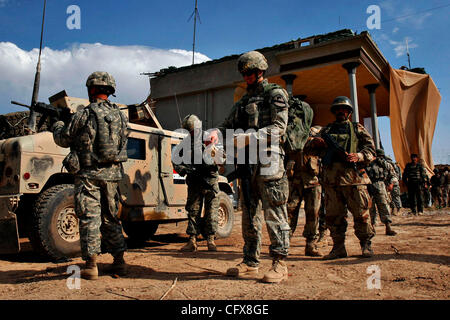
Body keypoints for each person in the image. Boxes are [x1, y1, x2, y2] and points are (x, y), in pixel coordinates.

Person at [210, 51, 290, 283]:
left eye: (250, 73)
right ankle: (250, 261)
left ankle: (280, 263)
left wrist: (250, 137)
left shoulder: (275, 94)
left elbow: (279, 128)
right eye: (244, 73)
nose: (246, 77)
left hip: (269, 159)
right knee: (249, 212)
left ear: (261, 71)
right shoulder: (244, 101)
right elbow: (226, 126)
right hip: (247, 161)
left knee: (274, 210)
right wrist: (215, 133)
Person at [52, 71, 128, 280]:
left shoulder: (84, 114)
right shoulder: (121, 116)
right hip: (113, 175)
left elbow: (63, 139)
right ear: (109, 90)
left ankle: (92, 265)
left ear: (92, 89)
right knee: (111, 218)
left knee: (89, 218)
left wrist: (58, 123)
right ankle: (119, 262)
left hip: (89, 175)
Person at [305, 96, 376, 260]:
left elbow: (371, 149)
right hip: (331, 182)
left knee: (361, 215)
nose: (340, 112)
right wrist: (316, 144)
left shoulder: (356, 129)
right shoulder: (326, 131)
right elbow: (308, 149)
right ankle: (338, 248)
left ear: (349, 112)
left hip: (354, 181)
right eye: (337, 109)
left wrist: (359, 155)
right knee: (333, 217)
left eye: (343, 109)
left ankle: (366, 244)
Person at [172, 114, 220, 252]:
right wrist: (185, 170)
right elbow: (175, 159)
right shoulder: (185, 143)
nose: (191, 133)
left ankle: (210, 240)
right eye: (189, 131)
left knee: (212, 211)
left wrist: (213, 154)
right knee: (193, 210)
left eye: (192, 130)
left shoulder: (210, 138)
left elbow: (221, 157)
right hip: (194, 181)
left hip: (210, 180)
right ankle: (192, 240)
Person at [287, 125, 323, 256]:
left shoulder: (319, 132)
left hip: (313, 180)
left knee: (313, 212)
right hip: (295, 179)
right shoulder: (292, 132)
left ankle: (311, 244)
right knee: (290, 210)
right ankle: (284, 243)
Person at [366, 149, 397, 236]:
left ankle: (388, 227)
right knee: (370, 208)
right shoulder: (367, 163)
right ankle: (371, 228)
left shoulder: (386, 164)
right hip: (369, 186)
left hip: (381, 185)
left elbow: (393, 175)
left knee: (384, 206)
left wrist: (391, 184)